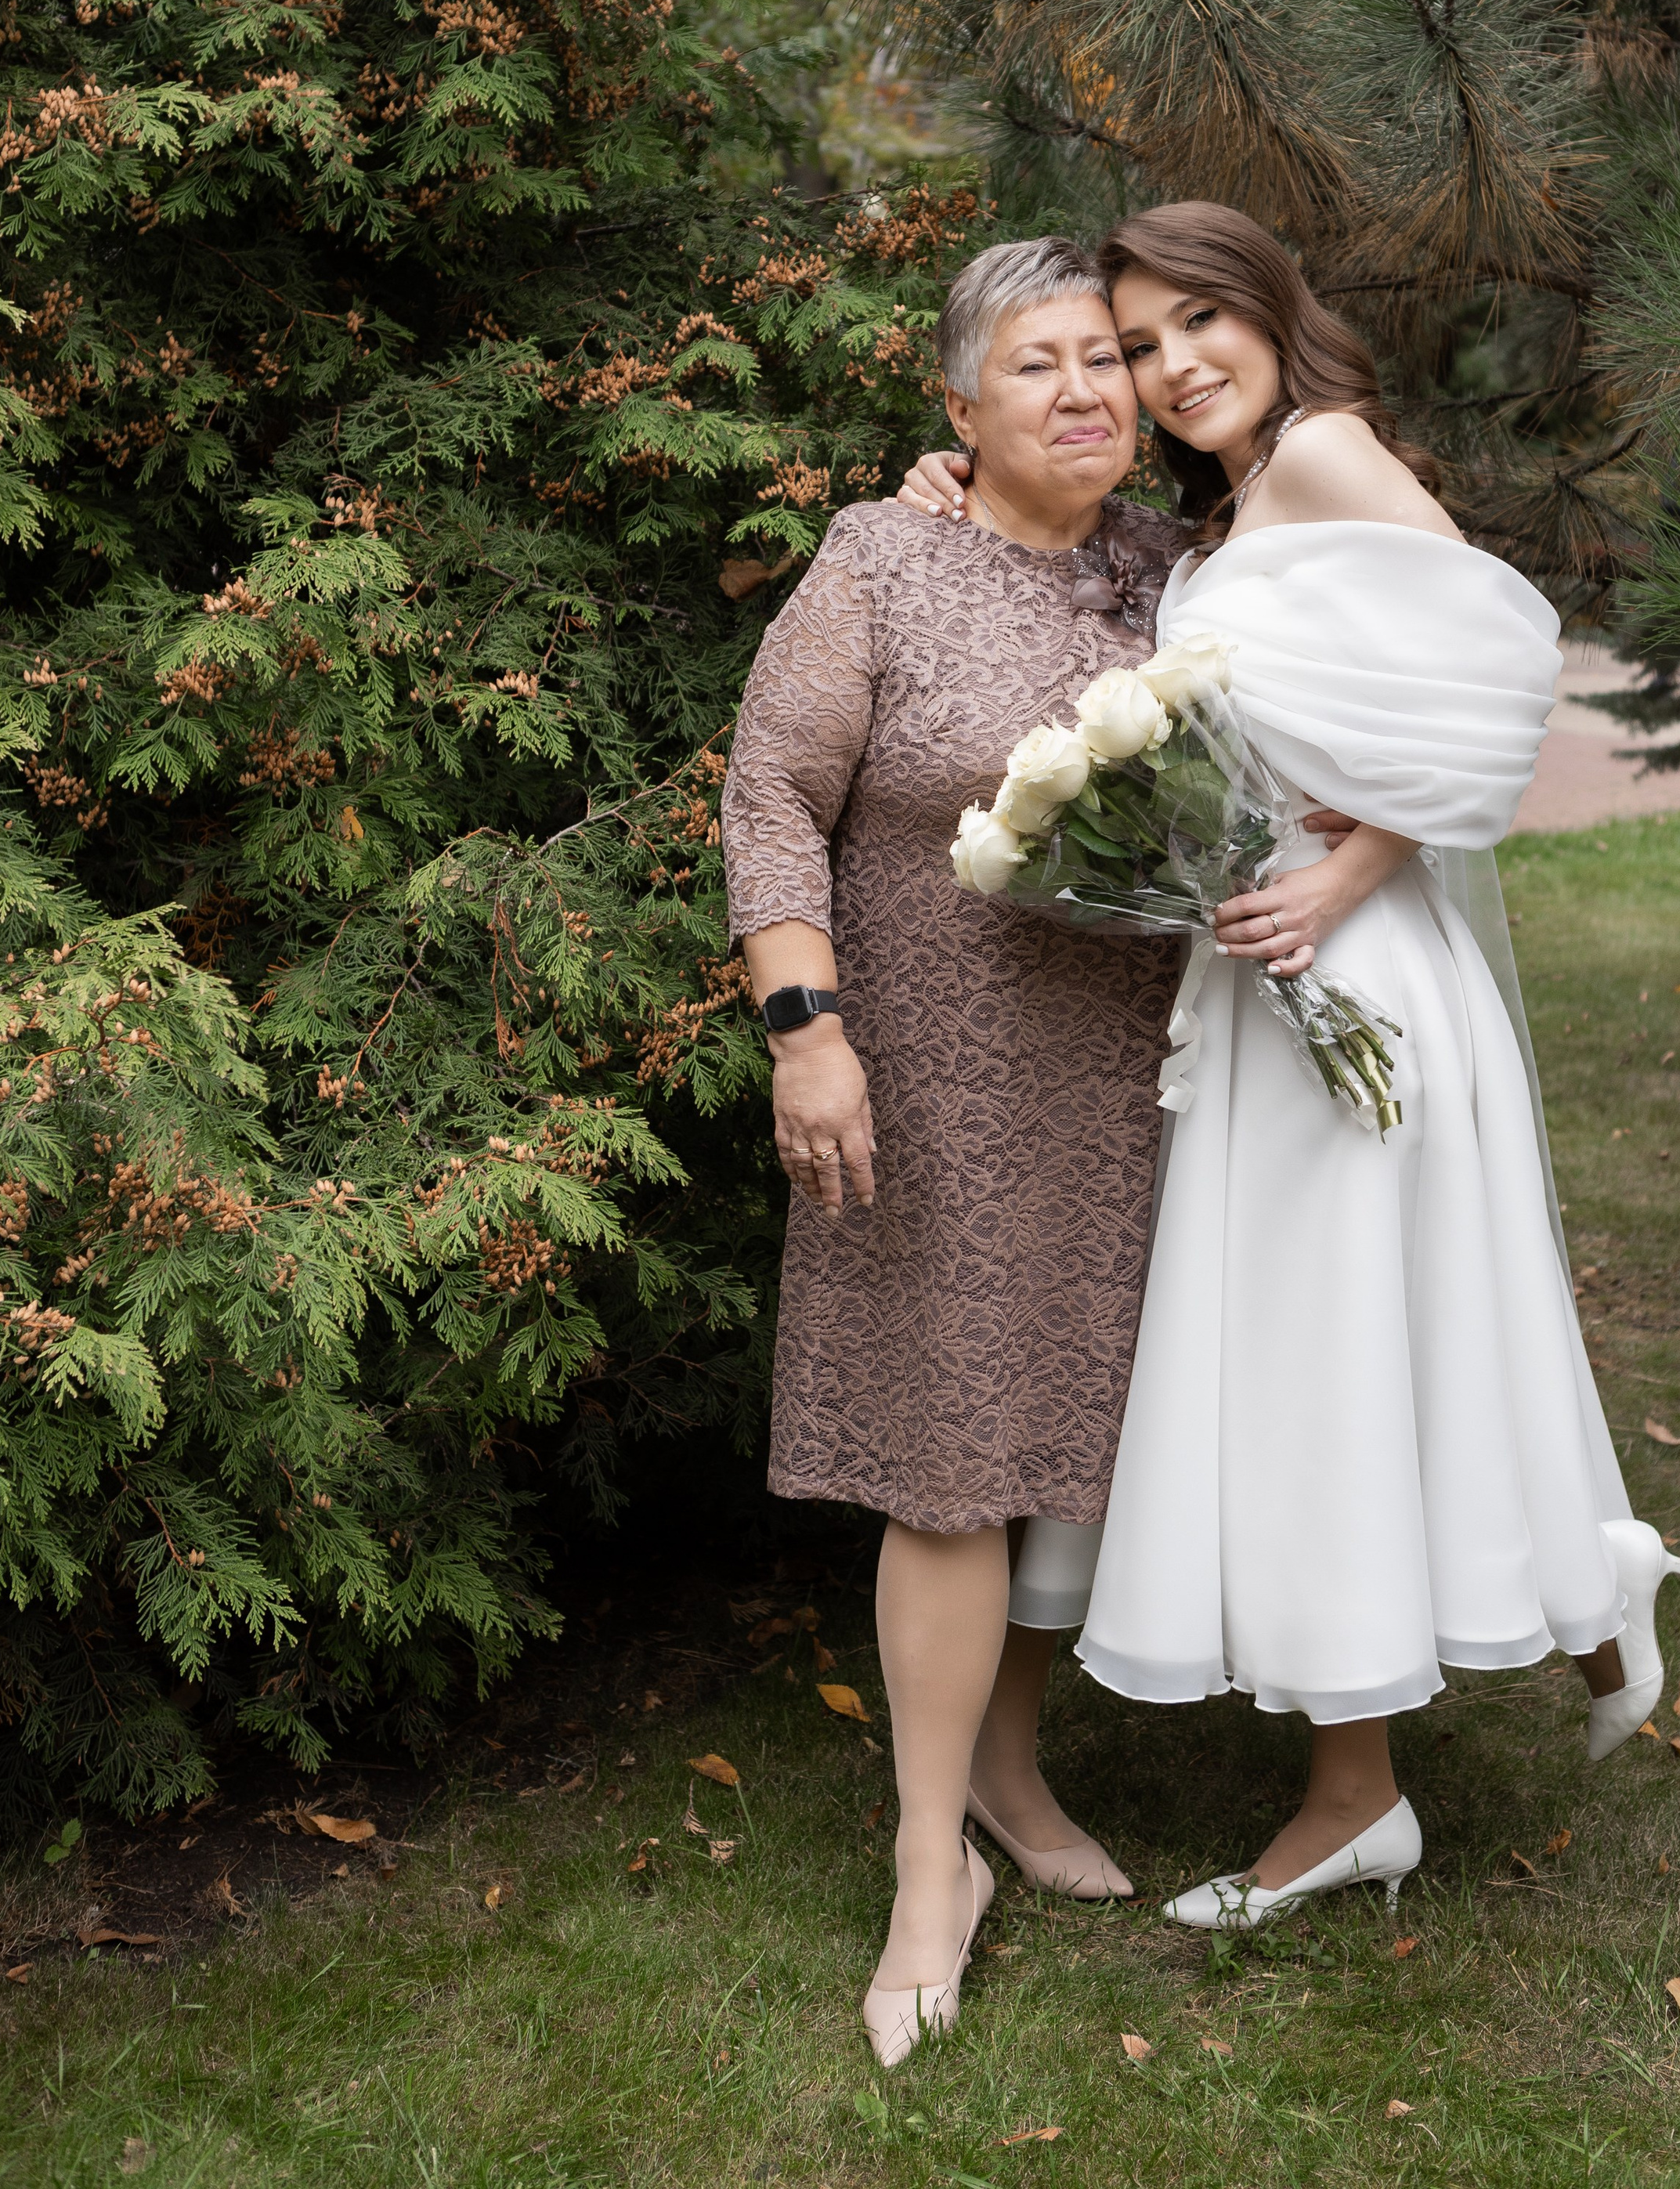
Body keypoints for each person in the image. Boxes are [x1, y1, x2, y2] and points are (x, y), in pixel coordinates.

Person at [898, 200, 1680, 1929]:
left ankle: (1363, 1790)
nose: (1168, 365)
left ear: (1270, 316)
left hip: (1352, 973)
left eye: (1197, 325)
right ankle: (1568, 1600)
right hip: (1264, 984)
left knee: (1340, 1356)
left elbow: (1505, 669)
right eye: (1134, 342)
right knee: (1353, 1353)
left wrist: (1342, 871)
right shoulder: (1236, 498)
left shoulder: (1325, 452)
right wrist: (935, 495)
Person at [719, 237, 1187, 2063]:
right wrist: (803, 1026)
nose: (1082, 392)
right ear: (956, 405)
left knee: (1066, 1439)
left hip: (1135, 1079)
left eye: (1104, 361)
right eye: (1035, 365)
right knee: (946, 1464)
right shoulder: (881, 553)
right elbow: (770, 792)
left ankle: (1009, 1770)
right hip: (920, 1078)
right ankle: (930, 1864)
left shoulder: (1181, 574)